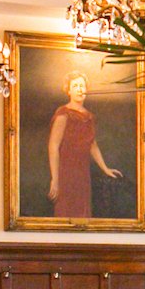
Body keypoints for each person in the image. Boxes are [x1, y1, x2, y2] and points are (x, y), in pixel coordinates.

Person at [46, 69, 120, 219]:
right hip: (66, 170)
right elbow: (53, 146)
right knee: (66, 208)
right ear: (68, 90)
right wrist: (55, 178)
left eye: (82, 86)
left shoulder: (89, 116)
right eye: (75, 86)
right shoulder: (63, 113)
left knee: (82, 209)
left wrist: (105, 168)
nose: (80, 89)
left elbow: (92, 144)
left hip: (82, 171)